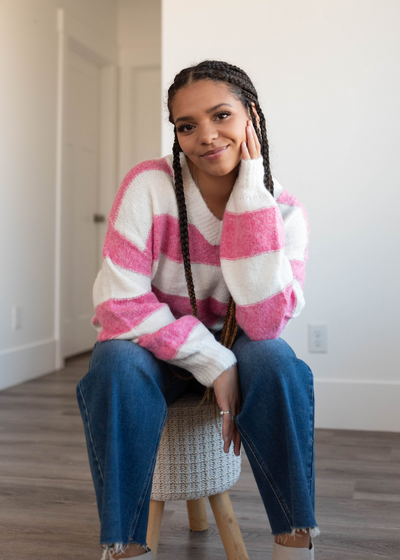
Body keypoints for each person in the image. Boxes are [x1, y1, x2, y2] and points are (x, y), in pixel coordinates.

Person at [76, 60, 320, 560]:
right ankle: (123, 546)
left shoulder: (286, 214)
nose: (206, 136)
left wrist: (252, 198)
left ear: (250, 115)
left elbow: (264, 324)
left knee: (277, 361)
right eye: (187, 126)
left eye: (221, 116)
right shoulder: (149, 185)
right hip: (153, 348)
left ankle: (295, 541)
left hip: (240, 343)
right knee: (113, 367)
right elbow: (117, 303)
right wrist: (214, 363)